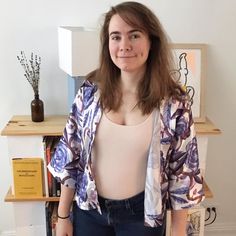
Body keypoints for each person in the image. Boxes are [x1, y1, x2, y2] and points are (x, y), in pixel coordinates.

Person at [48, 1, 204, 236]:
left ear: (151, 41)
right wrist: (62, 216)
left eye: (134, 35)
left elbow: (183, 173)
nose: (124, 45)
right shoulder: (89, 92)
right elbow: (71, 155)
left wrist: (179, 230)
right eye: (116, 37)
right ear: (107, 44)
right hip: (90, 211)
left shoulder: (174, 103)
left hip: (142, 216)